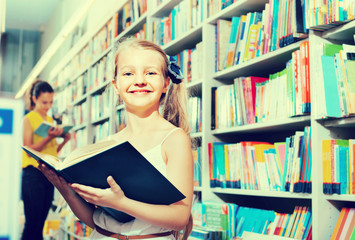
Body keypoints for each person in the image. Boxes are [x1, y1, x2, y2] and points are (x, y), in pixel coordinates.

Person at [38, 38, 194, 239]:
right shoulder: (110, 143)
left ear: (165, 83)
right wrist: (66, 190)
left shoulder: (174, 139)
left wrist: (120, 203)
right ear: (116, 85)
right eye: (128, 73)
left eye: (151, 73)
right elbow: (96, 220)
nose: (139, 80)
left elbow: (180, 217)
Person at [21, 80, 71, 240]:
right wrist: (49, 137)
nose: (48, 106)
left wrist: (64, 140)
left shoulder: (50, 121)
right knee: (32, 223)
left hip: (48, 174)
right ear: (34, 99)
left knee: (41, 223)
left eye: (50, 102)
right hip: (32, 175)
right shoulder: (28, 119)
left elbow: (50, 151)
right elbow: (28, 149)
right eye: (44, 102)